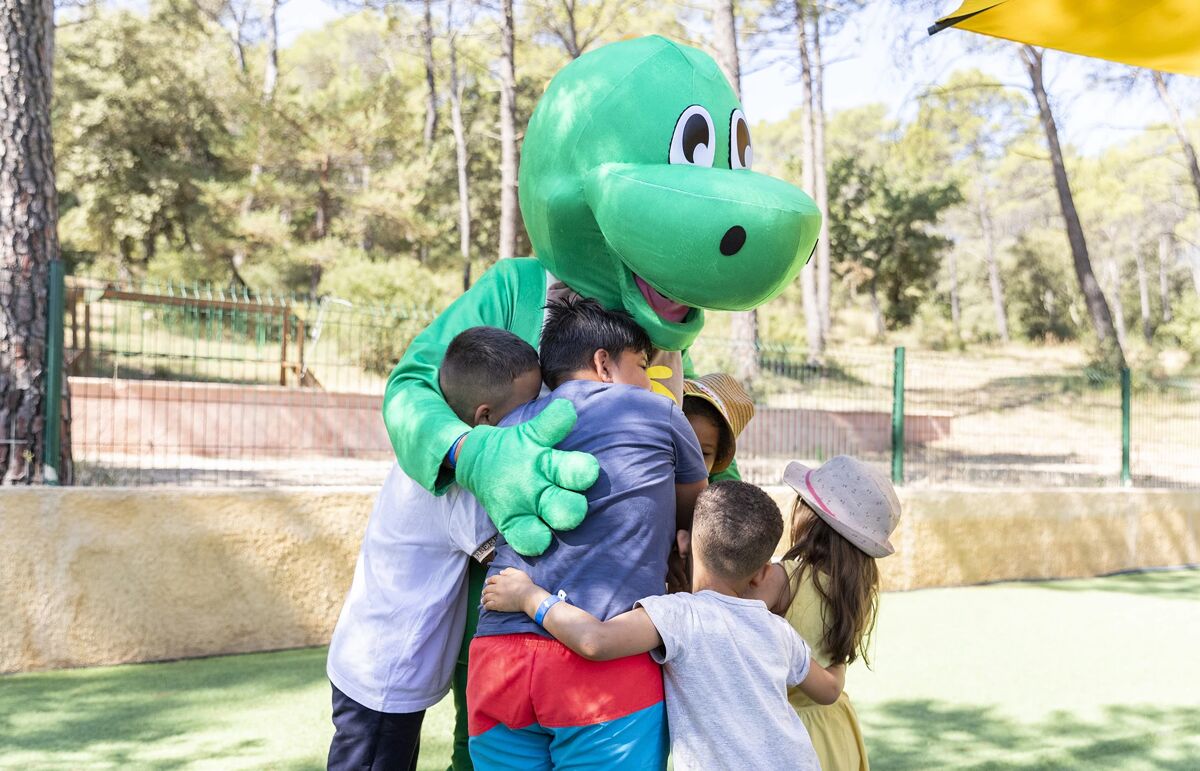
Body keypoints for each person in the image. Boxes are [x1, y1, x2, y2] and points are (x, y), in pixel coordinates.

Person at [465, 296, 709, 770]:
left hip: (499, 657)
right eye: (641, 365)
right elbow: (697, 512)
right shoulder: (658, 412)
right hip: (603, 658)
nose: (646, 381)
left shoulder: (513, 424)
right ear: (604, 363)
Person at [482, 481, 846, 771]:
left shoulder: (680, 616)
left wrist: (530, 597)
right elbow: (829, 690)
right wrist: (844, 652)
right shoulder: (778, 631)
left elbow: (595, 639)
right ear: (763, 572)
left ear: (684, 545)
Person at [325, 327, 545, 771]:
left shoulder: (428, 454)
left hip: (379, 667)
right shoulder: (457, 484)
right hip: (386, 679)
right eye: (527, 412)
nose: (534, 421)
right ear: (484, 418)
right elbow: (508, 546)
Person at [761, 455, 902, 771]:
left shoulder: (783, 579)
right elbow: (836, 664)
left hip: (786, 734)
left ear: (808, 516)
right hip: (835, 731)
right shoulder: (856, 589)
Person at [682, 373, 755, 477]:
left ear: (717, 459)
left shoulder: (716, 491)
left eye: (704, 454)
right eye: (680, 447)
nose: (689, 463)